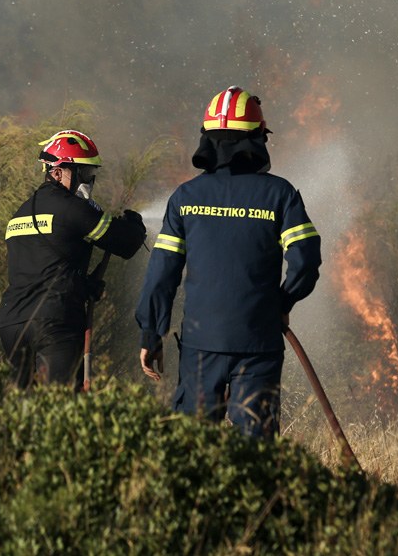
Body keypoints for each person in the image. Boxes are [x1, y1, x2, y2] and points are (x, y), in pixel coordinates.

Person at [134, 86, 322, 439]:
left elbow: (162, 273)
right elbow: (306, 261)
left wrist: (151, 332)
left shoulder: (185, 197)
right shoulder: (280, 195)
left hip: (200, 344)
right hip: (258, 342)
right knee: (255, 452)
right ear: (256, 139)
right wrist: (281, 303)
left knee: (192, 446)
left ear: (207, 140)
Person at [0, 129, 146, 390]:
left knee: (23, 411)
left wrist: (82, 285)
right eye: (83, 173)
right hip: (54, 323)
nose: (87, 182)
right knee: (60, 406)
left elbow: (44, 268)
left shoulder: (19, 213)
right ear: (57, 171)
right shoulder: (72, 208)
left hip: (12, 324)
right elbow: (126, 243)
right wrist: (135, 225)